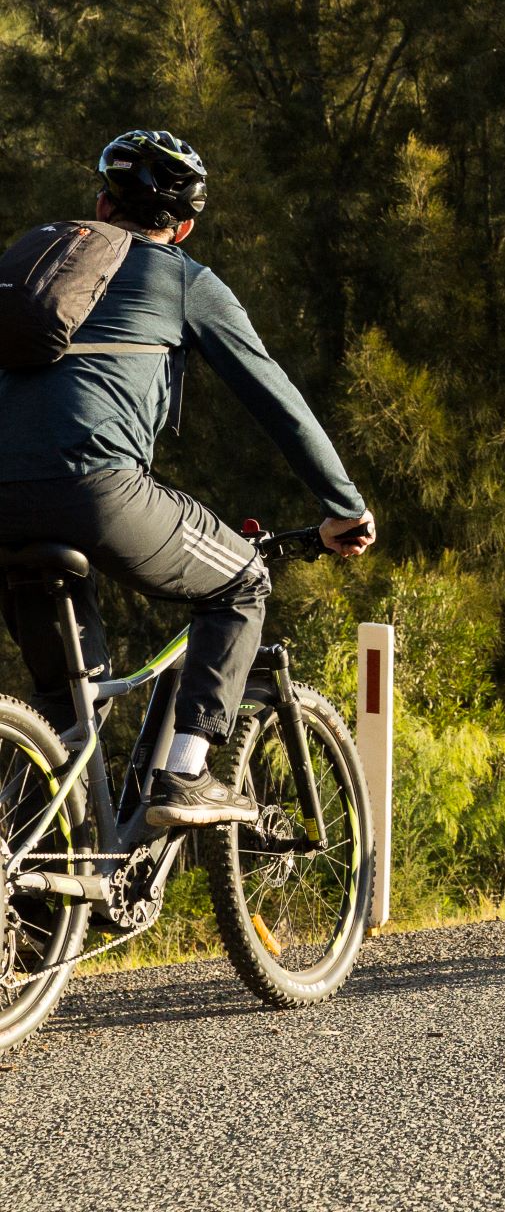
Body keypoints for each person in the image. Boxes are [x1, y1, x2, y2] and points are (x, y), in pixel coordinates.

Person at [0, 131, 375, 828]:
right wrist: (343, 504)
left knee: (69, 712)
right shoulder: (180, 277)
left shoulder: (31, 279)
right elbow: (276, 399)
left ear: (99, 205)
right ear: (186, 226)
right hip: (99, 492)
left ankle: (38, 889)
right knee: (241, 583)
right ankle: (185, 772)